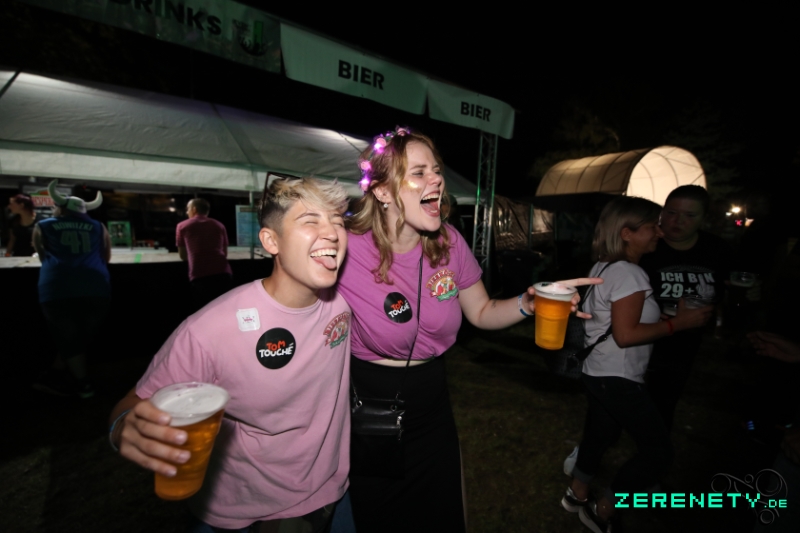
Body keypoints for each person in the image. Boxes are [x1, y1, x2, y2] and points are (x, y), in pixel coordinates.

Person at [336, 127, 600, 533]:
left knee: (443, 516)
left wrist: (528, 303)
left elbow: (482, 311)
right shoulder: (346, 247)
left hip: (433, 404)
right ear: (383, 191)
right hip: (368, 408)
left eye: (436, 170)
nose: (436, 180)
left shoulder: (448, 243)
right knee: (382, 519)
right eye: (419, 172)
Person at [109, 177, 352, 532]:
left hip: (333, 491)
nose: (332, 232)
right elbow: (129, 407)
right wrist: (125, 429)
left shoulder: (342, 303)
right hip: (250, 510)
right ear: (271, 241)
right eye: (310, 220)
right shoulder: (212, 329)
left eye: (338, 221)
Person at [562, 196, 712, 533]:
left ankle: (577, 492)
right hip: (618, 377)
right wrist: (678, 325)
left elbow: (614, 321)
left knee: (601, 433)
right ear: (627, 233)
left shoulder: (603, 266)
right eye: (652, 226)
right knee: (658, 451)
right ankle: (604, 510)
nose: (660, 232)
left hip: (597, 371)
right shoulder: (630, 274)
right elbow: (626, 334)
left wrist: (665, 319)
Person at [639, 185, 734, 432]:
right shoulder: (647, 245)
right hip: (645, 333)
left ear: (704, 218)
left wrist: (741, 298)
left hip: (689, 338)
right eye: (671, 212)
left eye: (689, 215)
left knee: (667, 396)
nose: (678, 221)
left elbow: (728, 290)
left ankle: (656, 438)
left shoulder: (717, 249)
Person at [31, 180, 111, 398]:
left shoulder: (43, 225)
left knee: (68, 337)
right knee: (78, 337)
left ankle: (84, 385)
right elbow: (106, 257)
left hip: (57, 287)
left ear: (60, 208)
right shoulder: (99, 227)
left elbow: (42, 255)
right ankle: (54, 375)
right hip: (97, 288)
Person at [176, 198, 233, 309]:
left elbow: (183, 256)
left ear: (194, 209)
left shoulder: (182, 226)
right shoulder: (219, 225)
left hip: (200, 276)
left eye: (188, 209)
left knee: (204, 312)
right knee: (224, 310)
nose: (187, 212)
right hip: (223, 273)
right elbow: (224, 253)